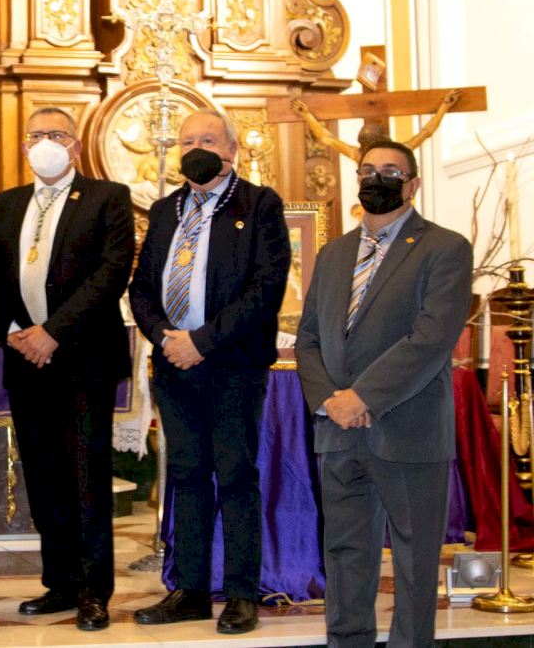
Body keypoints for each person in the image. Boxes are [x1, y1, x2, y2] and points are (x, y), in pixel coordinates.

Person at [295, 140, 472, 647]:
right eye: (368, 170)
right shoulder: (334, 253)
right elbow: (308, 338)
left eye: (391, 171)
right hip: (339, 431)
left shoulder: (445, 247)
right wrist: (330, 400)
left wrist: (364, 397)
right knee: (345, 555)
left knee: (415, 562)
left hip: (408, 428)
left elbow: (431, 338)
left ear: (413, 184)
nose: (378, 178)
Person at [128, 109, 290, 634]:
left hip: (232, 365)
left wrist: (201, 341)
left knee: (236, 477)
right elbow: (142, 288)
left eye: (208, 140)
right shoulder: (164, 210)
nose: (196, 148)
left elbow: (266, 288)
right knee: (187, 477)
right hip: (174, 366)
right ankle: (191, 591)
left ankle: (241, 593)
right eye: (187, 141)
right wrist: (165, 337)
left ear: (232, 150)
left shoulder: (260, 204)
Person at [0, 107, 135, 631]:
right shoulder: (4, 205)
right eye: (36, 135)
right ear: (25, 146)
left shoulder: (106, 198)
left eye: (56, 134)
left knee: (85, 475)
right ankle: (62, 582)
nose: (45, 142)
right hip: (26, 357)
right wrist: (15, 332)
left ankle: (94, 589)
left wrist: (53, 331)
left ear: (74, 145)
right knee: (43, 474)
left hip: (83, 357)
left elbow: (111, 272)